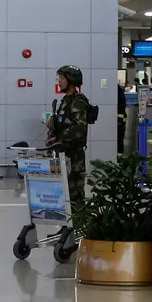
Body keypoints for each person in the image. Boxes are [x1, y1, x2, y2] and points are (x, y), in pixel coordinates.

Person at [46, 65, 91, 211]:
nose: (59, 81)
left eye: (62, 78)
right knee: (64, 194)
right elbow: (64, 124)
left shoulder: (78, 101)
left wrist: (60, 138)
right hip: (63, 155)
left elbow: (80, 128)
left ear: (71, 80)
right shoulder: (65, 100)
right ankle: (67, 228)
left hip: (74, 157)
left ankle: (78, 229)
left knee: (74, 195)